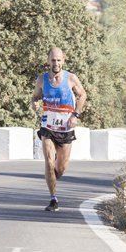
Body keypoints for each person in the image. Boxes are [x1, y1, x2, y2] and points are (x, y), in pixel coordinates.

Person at [31, 47, 87, 212]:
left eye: (59, 60)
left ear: (63, 60)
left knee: (60, 168)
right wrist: (34, 103)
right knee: (49, 162)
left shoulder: (70, 78)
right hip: (47, 125)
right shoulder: (42, 79)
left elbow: (82, 95)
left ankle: (52, 178)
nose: (56, 63)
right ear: (48, 61)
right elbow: (35, 96)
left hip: (65, 127)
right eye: (53, 60)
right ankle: (53, 199)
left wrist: (75, 115)